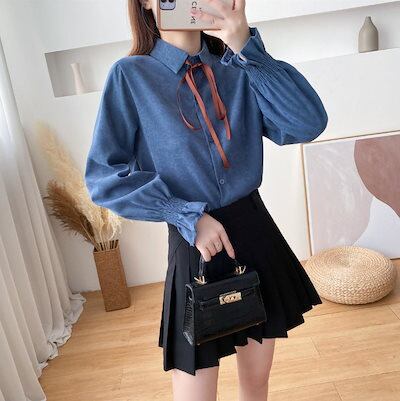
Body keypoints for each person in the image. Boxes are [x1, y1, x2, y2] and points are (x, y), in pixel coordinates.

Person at [84, 0, 328, 399]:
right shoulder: (131, 76)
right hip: (193, 240)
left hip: (255, 233)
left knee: (256, 382)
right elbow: (105, 177)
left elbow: (307, 124)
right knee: (195, 391)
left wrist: (245, 46)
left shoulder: (239, 68)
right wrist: (188, 216)